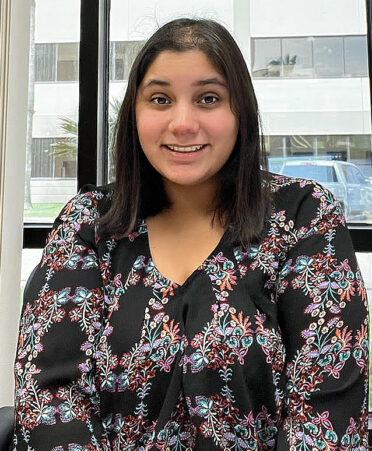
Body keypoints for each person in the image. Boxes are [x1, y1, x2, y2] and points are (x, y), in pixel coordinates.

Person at [12, 18, 368, 450]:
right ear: (134, 114)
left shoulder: (303, 216)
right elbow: (50, 397)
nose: (182, 123)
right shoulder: (88, 224)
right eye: (160, 99)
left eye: (209, 98)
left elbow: (327, 411)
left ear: (241, 112)